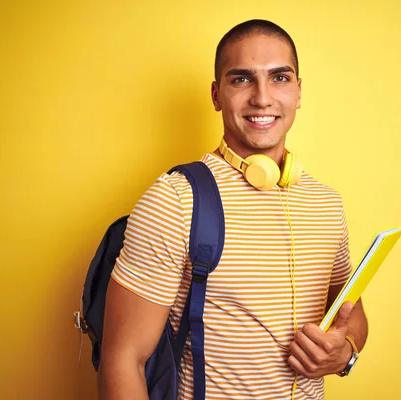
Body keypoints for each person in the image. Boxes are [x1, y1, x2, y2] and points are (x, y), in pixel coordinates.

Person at [99, 19, 368, 400]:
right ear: (216, 94)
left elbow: (350, 312)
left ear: (298, 91)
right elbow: (122, 358)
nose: (262, 98)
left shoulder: (326, 202)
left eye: (279, 78)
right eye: (241, 79)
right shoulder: (175, 199)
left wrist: (346, 352)